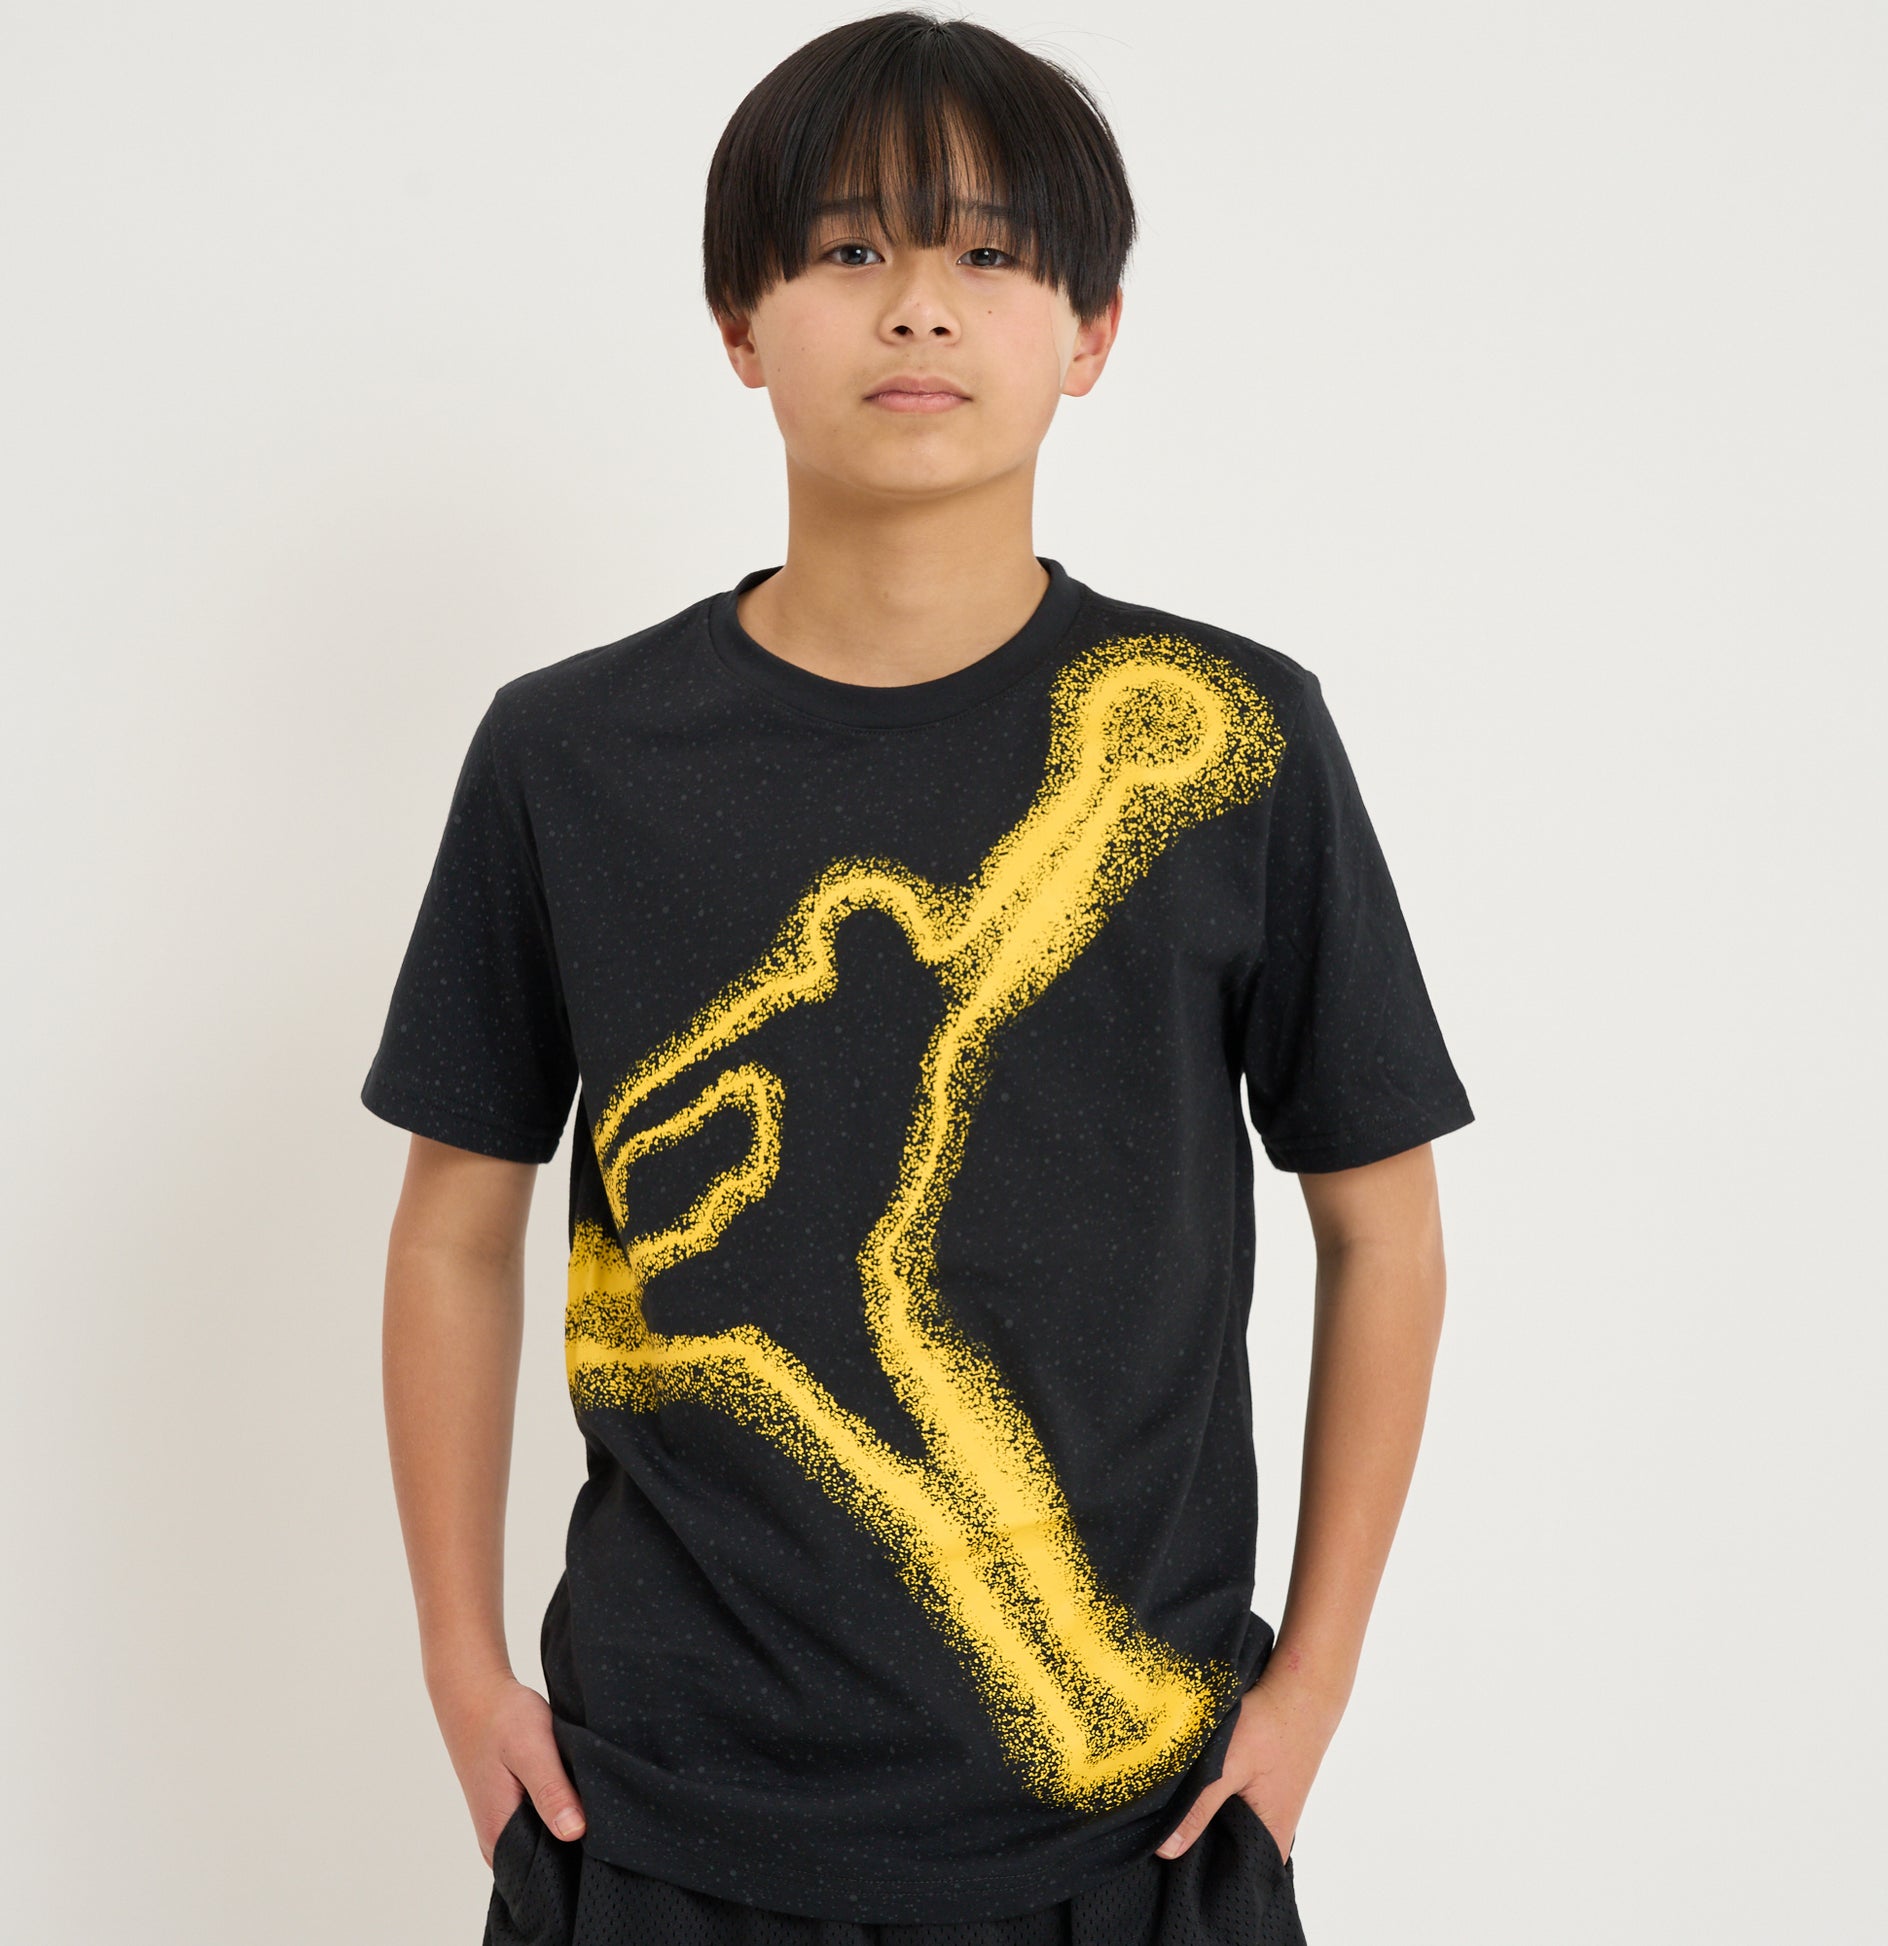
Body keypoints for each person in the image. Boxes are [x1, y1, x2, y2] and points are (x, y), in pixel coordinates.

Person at [362, 12, 1473, 1943]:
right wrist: (464, 1674)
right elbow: (455, 1226)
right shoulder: (570, 753)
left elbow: (1384, 1226)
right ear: (741, 322)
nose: (919, 308)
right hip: (658, 1816)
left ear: (1090, 331)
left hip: (1139, 1838)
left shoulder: (1245, 732)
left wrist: (1308, 1691)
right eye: (850, 249)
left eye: (988, 253)